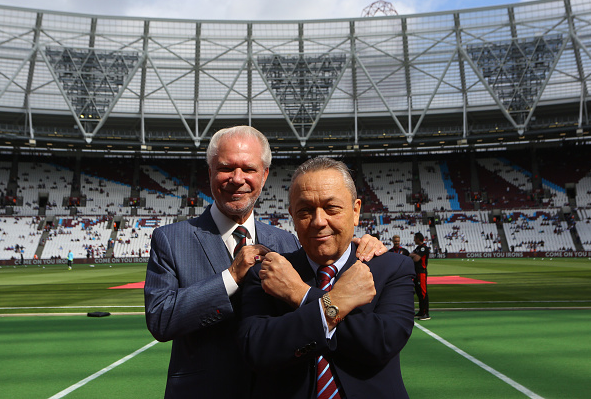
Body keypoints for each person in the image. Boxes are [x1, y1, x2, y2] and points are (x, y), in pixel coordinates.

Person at [144, 126, 387, 398]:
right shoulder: (171, 239)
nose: (238, 179)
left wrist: (358, 244)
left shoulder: (287, 241)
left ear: (264, 174)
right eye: (226, 168)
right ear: (210, 172)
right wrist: (231, 278)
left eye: (248, 169)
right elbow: (160, 319)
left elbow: (322, 282)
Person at [238, 157, 415, 398]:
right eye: (305, 211)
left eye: (332, 208)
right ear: (292, 215)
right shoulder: (267, 273)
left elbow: (381, 343)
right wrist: (332, 306)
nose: (319, 222)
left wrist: (302, 295)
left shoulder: (392, 268)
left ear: (355, 211)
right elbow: (256, 350)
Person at [410, 232, 430, 320]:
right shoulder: (418, 248)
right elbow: (411, 255)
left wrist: (414, 255)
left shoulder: (424, 248)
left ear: (418, 238)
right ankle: (421, 311)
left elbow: (416, 258)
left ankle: (426, 313)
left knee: (423, 292)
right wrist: (414, 255)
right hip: (417, 272)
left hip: (421, 272)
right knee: (418, 292)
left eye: (415, 238)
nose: (414, 240)